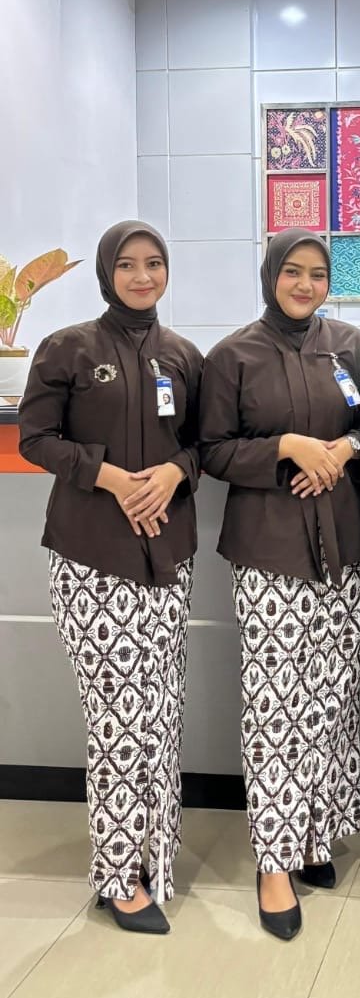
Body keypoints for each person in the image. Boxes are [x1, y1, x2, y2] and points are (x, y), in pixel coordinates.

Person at [18, 223, 203, 935]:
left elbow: (202, 445)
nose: (142, 275)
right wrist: (108, 477)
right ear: (106, 273)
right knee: (118, 717)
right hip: (92, 555)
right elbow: (36, 439)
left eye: (154, 263)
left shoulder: (182, 355)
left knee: (162, 710)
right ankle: (118, 875)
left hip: (168, 553)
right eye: (127, 264)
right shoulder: (67, 348)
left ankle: (157, 856)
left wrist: (174, 473)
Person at [199, 229, 360, 942]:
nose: (305, 284)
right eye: (293, 271)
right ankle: (273, 861)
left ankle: (314, 833)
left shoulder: (349, 345)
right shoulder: (233, 355)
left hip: (344, 544)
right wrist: (285, 448)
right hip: (270, 547)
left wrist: (343, 448)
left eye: (318, 273)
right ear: (271, 274)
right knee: (275, 702)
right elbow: (212, 450)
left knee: (331, 695)